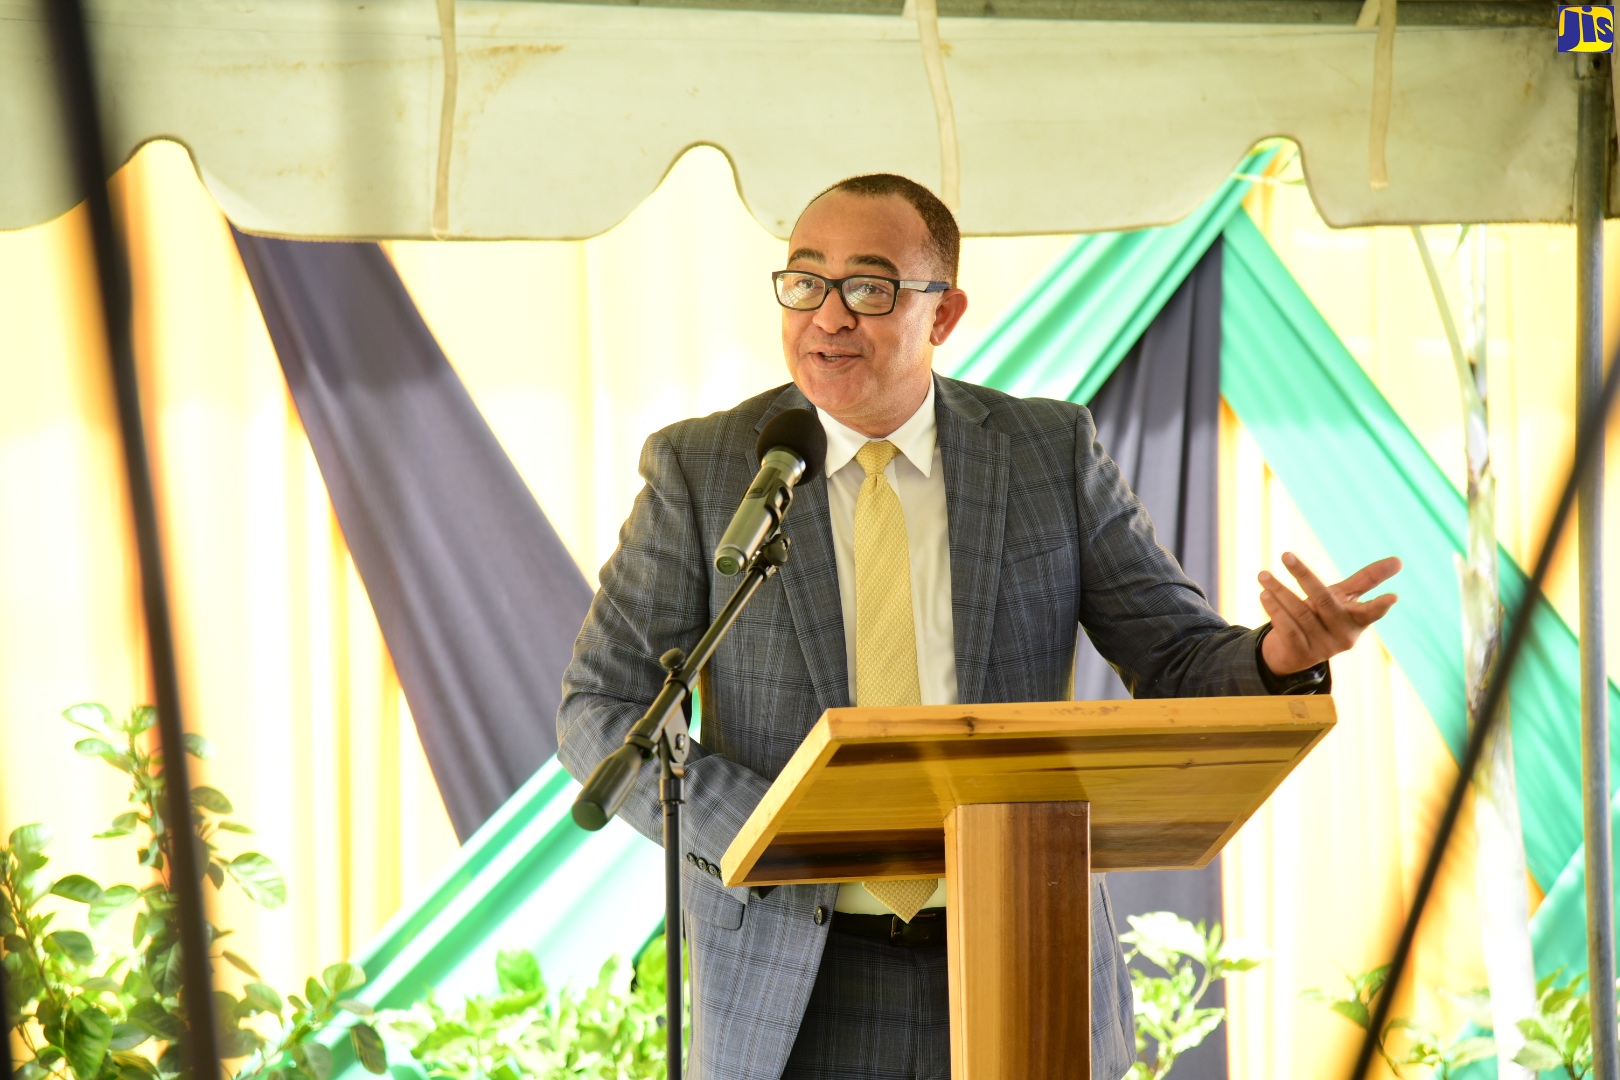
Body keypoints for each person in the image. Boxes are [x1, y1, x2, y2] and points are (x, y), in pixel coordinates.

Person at [556, 174, 1401, 1080]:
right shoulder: (708, 466)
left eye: (869, 289)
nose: (828, 317)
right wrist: (767, 826)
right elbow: (602, 710)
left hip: (1018, 946)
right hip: (789, 979)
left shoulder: (1046, 453)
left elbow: (1175, 654)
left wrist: (1280, 659)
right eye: (804, 282)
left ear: (944, 313)